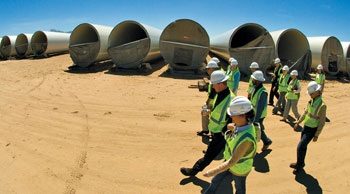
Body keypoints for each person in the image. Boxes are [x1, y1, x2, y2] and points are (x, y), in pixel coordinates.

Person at [181, 70, 233, 176]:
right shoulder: (219, 94)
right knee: (228, 152)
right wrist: (209, 111)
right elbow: (218, 110)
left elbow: (234, 118)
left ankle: (194, 170)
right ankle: (229, 169)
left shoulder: (231, 99)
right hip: (215, 130)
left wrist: (224, 131)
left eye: (214, 84)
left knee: (209, 155)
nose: (213, 87)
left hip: (221, 133)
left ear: (221, 83)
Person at [203, 96, 257, 194]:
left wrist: (210, 172)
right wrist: (233, 128)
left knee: (239, 189)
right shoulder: (244, 124)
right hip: (229, 161)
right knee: (215, 180)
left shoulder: (246, 140)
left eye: (233, 115)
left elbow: (232, 161)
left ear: (243, 115)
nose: (231, 117)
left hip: (239, 168)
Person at [290, 81, 327, 174]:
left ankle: (299, 164)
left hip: (312, 130)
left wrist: (317, 135)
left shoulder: (322, 105)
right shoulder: (311, 101)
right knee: (303, 147)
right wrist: (298, 122)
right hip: (305, 127)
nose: (310, 95)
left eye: (311, 93)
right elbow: (305, 112)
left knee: (300, 147)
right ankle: (301, 163)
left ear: (316, 92)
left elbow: (322, 122)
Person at [250, 70, 272, 151]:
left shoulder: (263, 92)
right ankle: (267, 141)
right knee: (259, 129)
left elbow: (260, 107)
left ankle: (256, 147)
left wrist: (256, 119)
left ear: (258, 81)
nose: (252, 81)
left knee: (256, 130)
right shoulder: (255, 88)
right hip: (253, 114)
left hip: (259, 115)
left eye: (254, 80)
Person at [197, 61, 219, 136]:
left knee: (208, 114)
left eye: (208, 69)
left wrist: (207, 102)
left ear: (212, 69)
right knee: (205, 113)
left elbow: (213, 92)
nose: (207, 70)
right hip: (212, 101)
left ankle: (211, 132)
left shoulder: (215, 78)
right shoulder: (214, 76)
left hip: (212, 102)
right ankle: (206, 129)